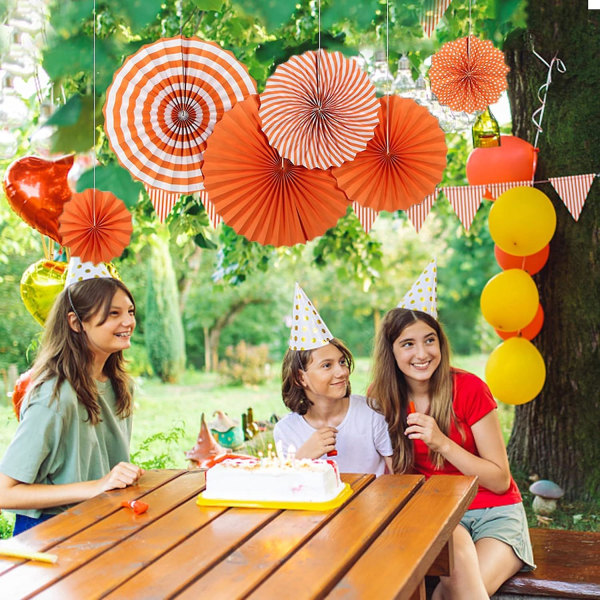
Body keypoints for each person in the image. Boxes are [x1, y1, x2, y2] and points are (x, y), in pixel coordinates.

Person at [369, 304, 535, 599]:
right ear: (391, 352)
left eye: (429, 340)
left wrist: (443, 443)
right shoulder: (381, 399)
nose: (422, 353)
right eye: (408, 344)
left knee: (457, 592)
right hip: (440, 514)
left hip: (495, 513)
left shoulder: (470, 388)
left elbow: (499, 480)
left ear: (440, 343)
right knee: (456, 586)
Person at [0, 258, 143, 536]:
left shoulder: (120, 385)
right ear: (76, 323)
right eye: (113, 313)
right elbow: (5, 493)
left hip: (100, 522)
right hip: (49, 533)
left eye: (130, 311)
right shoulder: (54, 395)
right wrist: (97, 486)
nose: (128, 321)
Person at [274, 283, 393, 476]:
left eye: (342, 362)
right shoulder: (286, 430)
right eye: (327, 365)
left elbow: (400, 477)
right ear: (299, 377)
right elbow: (287, 490)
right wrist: (302, 458)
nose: (342, 372)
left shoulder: (371, 413)